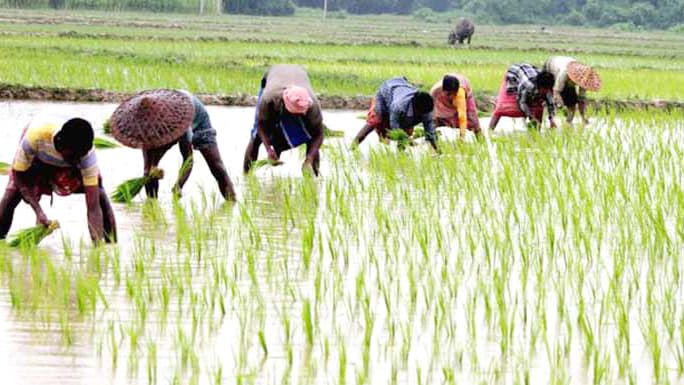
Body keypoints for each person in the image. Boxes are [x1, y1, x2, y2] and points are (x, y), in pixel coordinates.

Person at [0, 116, 117, 243]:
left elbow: (93, 207)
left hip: (66, 166)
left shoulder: (86, 156)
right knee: (11, 194)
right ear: (60, 144)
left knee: (99, 194)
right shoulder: (35, 137)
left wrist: (97, 249)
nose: (78, 161)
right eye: (74, 156)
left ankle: (111, 245)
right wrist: (38, 211)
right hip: (37, 160)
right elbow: (19, 174)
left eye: (80, 157)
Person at [110, 89, 236, 200]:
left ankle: (232, 202)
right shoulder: (145, 130)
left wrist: (178, 185)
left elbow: (188, 159)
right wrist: (151, 173)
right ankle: (152, 204)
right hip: (164, 121)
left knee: (217, 167)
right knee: (149, 173)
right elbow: (147, 170)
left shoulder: (179, 121)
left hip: (198, 119)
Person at [243, 64, 324, 176]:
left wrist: (309, 159)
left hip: (298, 74)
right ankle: (246, 176)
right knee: (256, 137)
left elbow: (319, 134)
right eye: (294, 113)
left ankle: (314, 176)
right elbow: (260, 126)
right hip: (274, 75)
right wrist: (269, 149)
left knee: (311, 139)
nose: (296, 117)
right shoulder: (269, 99)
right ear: (284, 104)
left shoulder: (312, 105)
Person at [353, 77, 438, 151]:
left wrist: (438, 151)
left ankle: (400, 155)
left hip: (402, 92)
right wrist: (408, 140)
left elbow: (430, 132)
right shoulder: (399, 106)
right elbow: (395, 128)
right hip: (386, 92)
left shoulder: (427, 110)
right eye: (421, 114)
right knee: (375, 120)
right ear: (415, 109)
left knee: (407, 130)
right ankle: (352, 147)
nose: (424, 116)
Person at [489, 63, 557, 131]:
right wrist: (531, 116)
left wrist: (552, 120)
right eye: (545, 90)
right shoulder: (528, 85)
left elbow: (550, 103)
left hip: (531, 70)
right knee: (505, 103)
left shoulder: (548, 88)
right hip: (514, 73)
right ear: (539, 87)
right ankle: (490, 130)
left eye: (548, 90)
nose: (547, 92)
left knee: (538, 105)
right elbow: (522, 102)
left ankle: (535, 131)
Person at [543, 56, 602, 126]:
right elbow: (556, 92)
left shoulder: (585, 78)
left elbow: (581, 99)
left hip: (566, 76)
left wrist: (583, 117)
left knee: (572, 103)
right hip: (550, 68)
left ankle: (569, 122)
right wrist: (561, 106)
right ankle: (551, 121)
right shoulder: (563, 73)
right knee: (550, 100)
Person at [430, 74, 481, 138]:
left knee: (473, 120)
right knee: (437, 120)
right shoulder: (435, 92)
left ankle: (481, 139)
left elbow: (462, 116)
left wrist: (462, 137)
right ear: (443, 90)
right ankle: (434, 139)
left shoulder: (460, 92)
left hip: (463, 97)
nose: (452, 96)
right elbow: (431, 111)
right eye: (449, 94)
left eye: (454, 94)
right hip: (443, 98)